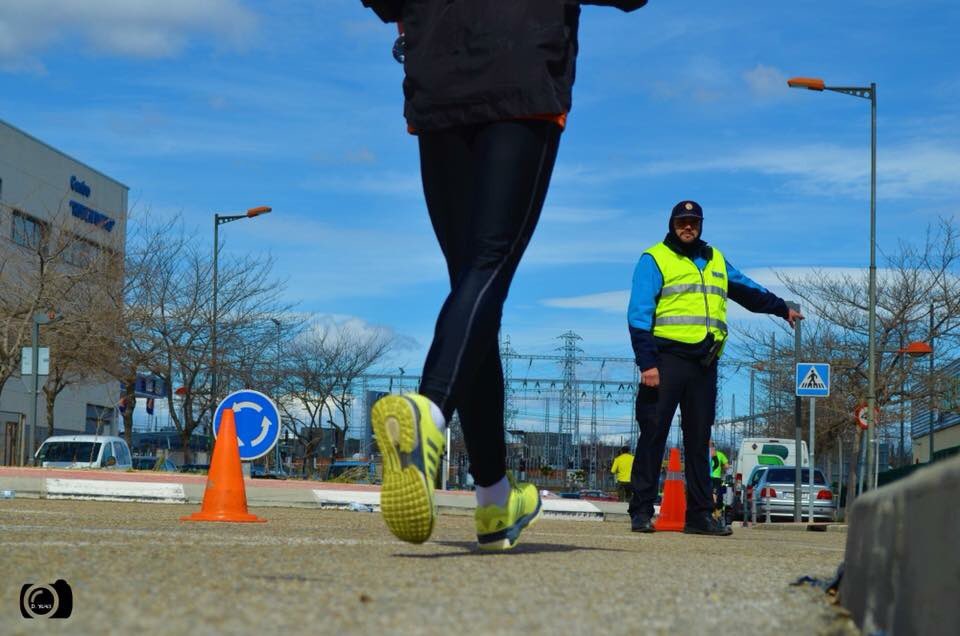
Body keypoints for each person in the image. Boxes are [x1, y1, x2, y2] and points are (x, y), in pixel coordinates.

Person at [359, 0, 649, 551]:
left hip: (439, 80)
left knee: (472, 289)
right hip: (519, 77)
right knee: (488, 266)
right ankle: (430, 411)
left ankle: (495, 500)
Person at [626, 200, 803, 535]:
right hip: (665, 361)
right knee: (653, 435)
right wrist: (647, 362)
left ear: (701, 225)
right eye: (682, 222)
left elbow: (747, 290)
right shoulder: (654, 259)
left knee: (699, 441)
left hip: (704, 364)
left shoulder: (715, 259)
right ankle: (641, 511)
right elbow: (638, 313)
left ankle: (699, 516)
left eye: (693, 222)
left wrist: (781, 308)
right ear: (672, 224)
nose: (688, 227)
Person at [709, 440, 729, 509]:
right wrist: (721, 468)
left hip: (705, 478)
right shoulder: (720, 454)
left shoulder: (703, 454)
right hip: (716, 478)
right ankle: (714, 508)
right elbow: (727, 466)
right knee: (715, 493)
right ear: (714, 447)